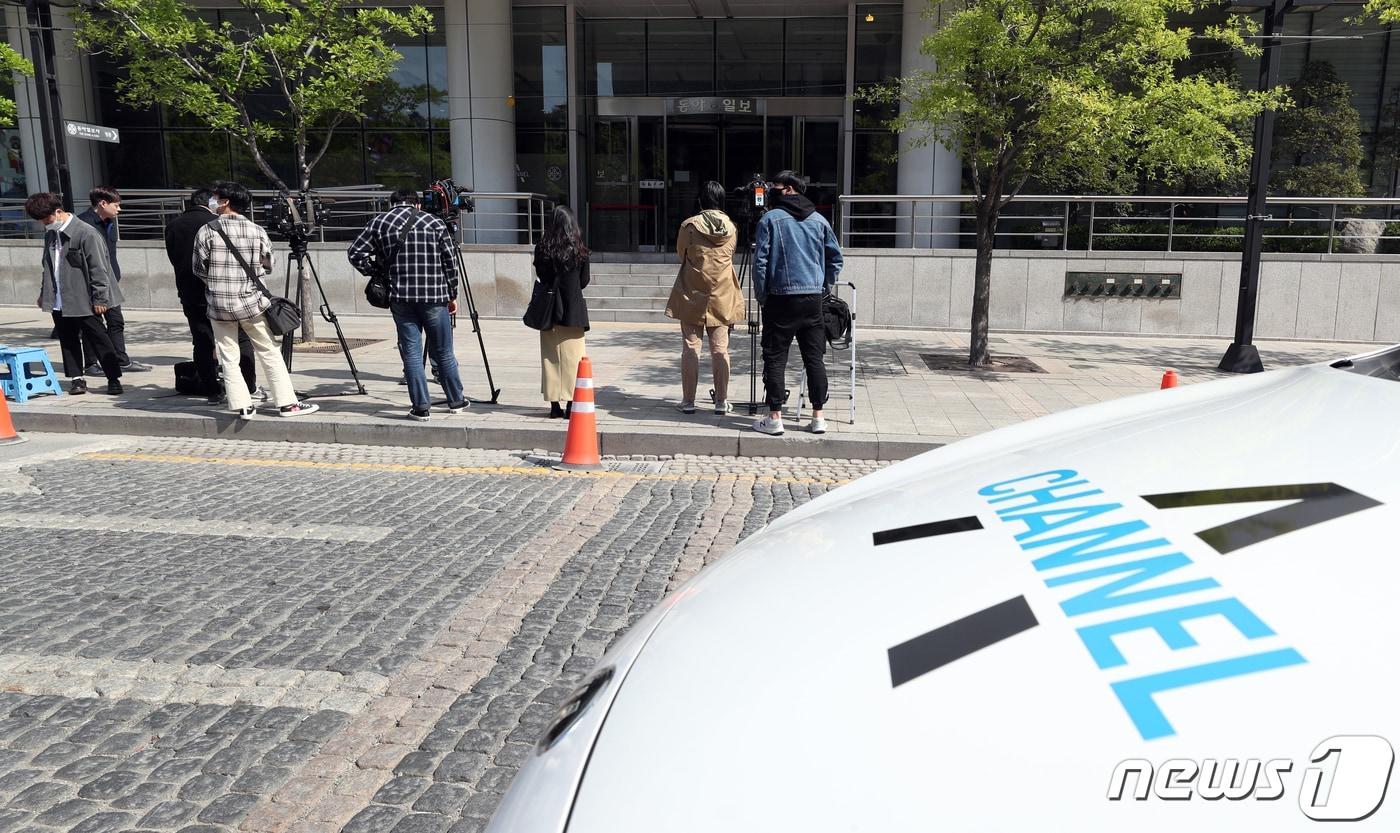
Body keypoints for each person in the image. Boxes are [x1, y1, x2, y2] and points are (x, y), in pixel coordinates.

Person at [192, 180, 319, 419]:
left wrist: (218, 283)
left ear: (225, 202)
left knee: (228, 356)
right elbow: (268, 265)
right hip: (251, 303)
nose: (213, 201)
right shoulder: (256, 230)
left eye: (216, 197)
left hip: (219, 305)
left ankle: (242, 406)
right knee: (269, 351)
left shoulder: (207, 230)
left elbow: (198, 268)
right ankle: (287, 404)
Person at [348, 187, 468, 421]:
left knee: (411, 353)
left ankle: (421, 407)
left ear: (392, 203)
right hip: (434, 296)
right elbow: (450, 262)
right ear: (417, 203)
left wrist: (376, 272)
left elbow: (355, 253)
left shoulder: (379, 222)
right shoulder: (434, 222)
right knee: (443, 351)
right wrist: (452, 294)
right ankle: (456, 400)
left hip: (400, 297)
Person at [751, 170, 843, 436]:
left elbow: (760, 263)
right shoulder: (819, 220)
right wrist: (823, 287)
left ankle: (775, 417)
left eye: (776, 186)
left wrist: (762, 295)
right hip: (812, 299)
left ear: (789, 189)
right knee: (814, 358)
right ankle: (818, 417)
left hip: (780, 299)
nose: (772, 190)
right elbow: (836, 259)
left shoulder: (770, 219)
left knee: (775, 357)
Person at [164, 187, 260, 403]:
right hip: (225, 293)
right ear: (211, 201)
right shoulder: (215, 224)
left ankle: (212, 391)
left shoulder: (173, 225)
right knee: (241, 339)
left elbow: (176, 259)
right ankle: (249, 386)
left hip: (190, 292)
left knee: (202, 342)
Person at [26, 191, 124, 395]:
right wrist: (44, 293)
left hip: (84, 298)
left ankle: (113, 377)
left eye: (46, 220)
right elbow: (47, 266)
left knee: (99, 338)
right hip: (60, 299)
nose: (44, 224)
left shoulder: (86, 233)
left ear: (58, 211)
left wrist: (100, 298)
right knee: (68, 339)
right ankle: (76, 378)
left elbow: (99, 269)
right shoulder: (51, 234)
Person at [665, 180, 743, 415]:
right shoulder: (732, 228)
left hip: (692, 293)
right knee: (720, 349)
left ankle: (688, 401)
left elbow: (681, 253)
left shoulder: (689, 226)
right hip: (722, 294)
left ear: (701, 200)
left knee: (691, 348)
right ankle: (721, 401)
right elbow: (731, 255)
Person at [77, 185, 152, 374]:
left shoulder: (109, 222)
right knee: (93, 325)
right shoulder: (84, 225)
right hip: (90, 283)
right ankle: (91, 364)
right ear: (103, 203)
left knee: (116, 321)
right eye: (116, 205)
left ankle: (121, 360)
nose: (119, 209)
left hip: (109, 282)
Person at [531, 206, 590, 418]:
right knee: (574, 359)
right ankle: (572, 403)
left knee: (550, 357)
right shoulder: (579, 250)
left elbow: (540, 275)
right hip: (573, 310)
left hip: (549, 310)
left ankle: (554, 406)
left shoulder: (542, 249)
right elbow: (584, 281)